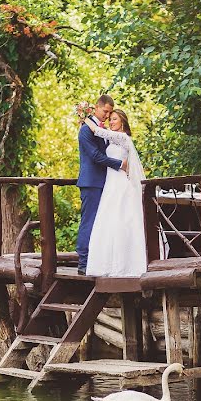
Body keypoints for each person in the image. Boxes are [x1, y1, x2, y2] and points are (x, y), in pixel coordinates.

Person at [82, 108, 148, 277]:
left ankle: (124, 264)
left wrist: (84, 117)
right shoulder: (112, 140)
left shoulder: (123, 137)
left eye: (115, 119)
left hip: (120, 183)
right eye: (110, 119)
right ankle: (106, 263)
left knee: (120, 220)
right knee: (108, 221)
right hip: (110, 183)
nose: (111, 122)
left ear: (123, 122)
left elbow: (97, 131)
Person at [76, 94, 129, 275]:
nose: (107, 116)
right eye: (105, 111)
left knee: (102, 222)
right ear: (96, 108)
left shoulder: (102, 129)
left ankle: (99, 260)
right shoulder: (85, 130)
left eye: (109, 113)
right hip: (91, 182)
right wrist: (120, 165)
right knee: (89, 221)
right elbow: (96, 157)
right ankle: (83, 262)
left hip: (105, 183)